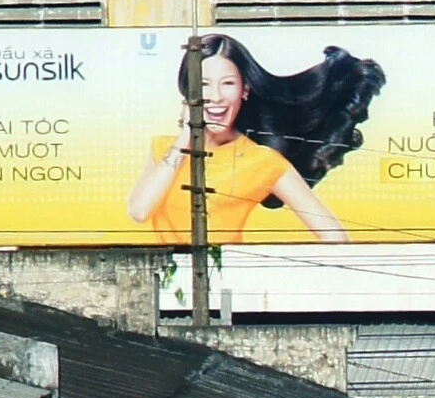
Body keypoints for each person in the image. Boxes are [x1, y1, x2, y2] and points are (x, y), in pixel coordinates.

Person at [125, 34, 384, 245]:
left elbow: (335, 236)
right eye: (203, 85)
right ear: (187, 91)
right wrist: (185, 135)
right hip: (162, 289)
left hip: (223, 289)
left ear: (244, 90)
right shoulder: (163, 148)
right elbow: (139, 211)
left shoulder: (263, 161)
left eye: (228, 83)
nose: (216, 97)